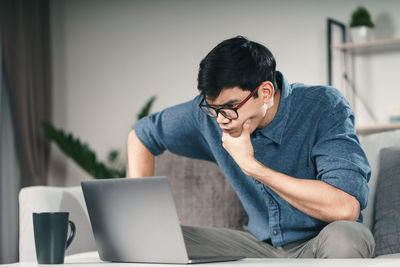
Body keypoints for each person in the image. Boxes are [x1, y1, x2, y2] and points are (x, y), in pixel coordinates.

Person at [127, 36, 375, 258]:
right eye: (213, 108)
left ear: (265, 92)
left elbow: (345, 207)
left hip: (320, 242)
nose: (221, 119)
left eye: (230, 107)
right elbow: (140, 135)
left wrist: (252, 167)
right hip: (256, 245)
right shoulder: (211, 114)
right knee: (154, 241)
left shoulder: (324, 105)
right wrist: (146, 212)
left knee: (347, 237)